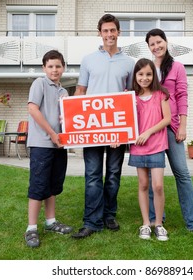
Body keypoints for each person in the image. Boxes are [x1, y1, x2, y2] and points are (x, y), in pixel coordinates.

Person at [71, 14, 135, 239]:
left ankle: (109, 214)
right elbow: (80, 92)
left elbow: (129, 96)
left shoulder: (129, 63)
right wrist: (69, 119)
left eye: (113, 30)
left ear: (119, 32)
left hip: (117, 128)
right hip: (92, 128)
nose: (109, 34)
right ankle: (91, 221)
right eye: (105, 31)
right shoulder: (88, 60)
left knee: (114, 173)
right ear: (100, 33)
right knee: (92, 174)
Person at [145, 28, 193, 235]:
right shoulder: (147, 69)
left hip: (171, 128)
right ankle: (156, 219)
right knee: (155, 177)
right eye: (152, 44)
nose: (156, 46)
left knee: (182, 174)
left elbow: (182, 97)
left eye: (159, 42)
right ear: (149, 47)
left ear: (166, 42)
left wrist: (182, 125)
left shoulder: (178, 67)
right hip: (152, 130)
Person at [24, 50, 73, 248]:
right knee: (38, 185)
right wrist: (52, 133)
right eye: (50, 66)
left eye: (58, 66)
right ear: (44, 68)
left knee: (53, 184)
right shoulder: (40, 83)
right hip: (42, 144)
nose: (54, 70)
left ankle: (51, 222)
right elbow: (33, 109)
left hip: (59, 145)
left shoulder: (64, 92)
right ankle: (31, 228)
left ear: (63, 68)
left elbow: (68, 118)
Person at [128, 58, 171, 241]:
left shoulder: (161, 94)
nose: (144, 78)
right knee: (143, 184)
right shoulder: (130, 97)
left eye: (148, 74)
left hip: (157, 146)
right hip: (138, 148)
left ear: (153, 75)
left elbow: (167, 119)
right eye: (140, 74)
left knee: (158, 186)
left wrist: (148, 132)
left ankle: (159, 224)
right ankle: (146, 223)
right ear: (135, 76)